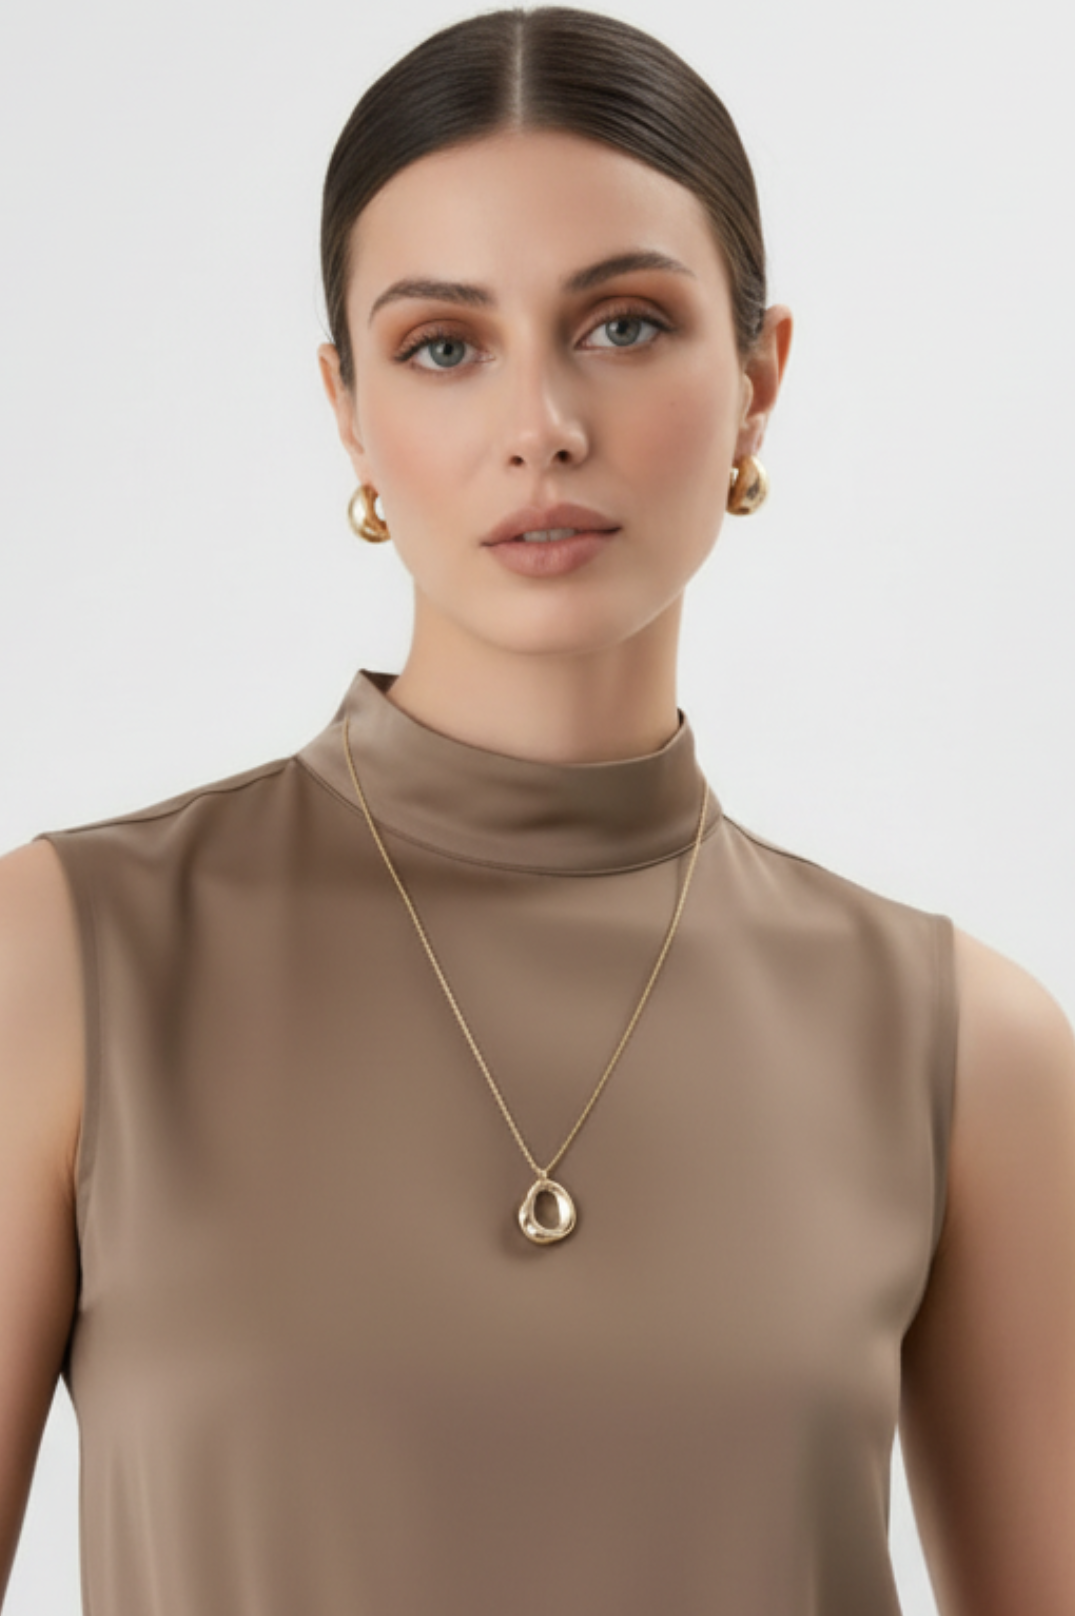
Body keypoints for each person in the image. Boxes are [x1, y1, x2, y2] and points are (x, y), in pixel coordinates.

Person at [1, 6, 1072, 1612]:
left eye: (625, 325)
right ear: (348, 410)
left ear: (760, 378)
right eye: (444, 345)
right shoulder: (67, 963)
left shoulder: (962, 1049)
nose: (542, 425)